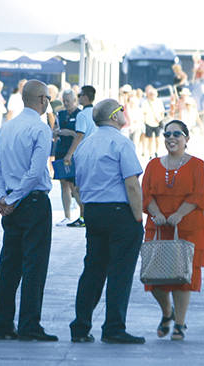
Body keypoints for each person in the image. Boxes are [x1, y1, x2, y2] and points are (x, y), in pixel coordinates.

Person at [69, 98, 146, 344]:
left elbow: (77, 185)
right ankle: (113, 327)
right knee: (120, 273)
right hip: (119, 212)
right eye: (121, 110)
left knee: (93, 269)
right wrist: (137, 217)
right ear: (114, 116)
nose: (125, 113)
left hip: (94, 211)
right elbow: (132, 184)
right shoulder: (121, 143)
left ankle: (81, 326)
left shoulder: (85, 145)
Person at [0, 80, 57, 341]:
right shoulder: (40, 129)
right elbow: (36, 170)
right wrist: (16, 197)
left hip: (12, 204)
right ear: (42, 100)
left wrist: (2, 197)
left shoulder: (7, 128)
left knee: (9, 264)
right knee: (34, 266)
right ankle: (30, 324)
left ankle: (3, 323)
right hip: (32, 201)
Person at [142, 120, 204, 341]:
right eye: (167, 134)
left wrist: (180, 213)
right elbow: (146, 194)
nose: (171, 138)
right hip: (159, 227)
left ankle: (180, 323)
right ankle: (167, 313)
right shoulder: (153, 165)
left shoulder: (198, 165)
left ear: (187, 139)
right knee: (153, 279)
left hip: (188, 228)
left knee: (183, 279)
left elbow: (200, 194)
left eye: (177, 134)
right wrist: (155, 213)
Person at [62, 84, 97, 228]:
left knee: (78, 188)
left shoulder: (82, 115)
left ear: (86, 97)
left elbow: (79, 135)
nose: (78, 97)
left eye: (80, 95)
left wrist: (69, 154)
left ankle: (83, 217)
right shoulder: (97, 112)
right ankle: (87, 216)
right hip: (96, 153)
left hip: (84, 156)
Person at [54, 89, 81, 226]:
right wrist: (56, 132)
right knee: (63, 183)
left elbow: (80, 134)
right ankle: (67, 215)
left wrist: (70, 133)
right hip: (60, 151)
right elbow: (54, 130)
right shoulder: (60, 114)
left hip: (73, 152)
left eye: (68, 101)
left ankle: (82, 214)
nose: (65, 103)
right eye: (64, 100)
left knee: (73, 185)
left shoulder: (80, 115)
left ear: (75, 101)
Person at [141, 86, 166, 159]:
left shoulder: (159, 101)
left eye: (153, 94)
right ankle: (150, 153)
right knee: (150, 139)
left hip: (157, 122)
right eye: (151, 94)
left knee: (158, 138)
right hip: (148, 122)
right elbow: (144, 113)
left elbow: (162, 112)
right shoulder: (145, 102)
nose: (152, 95)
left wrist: (160, 119)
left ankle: (156, 152)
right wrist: (145, 121)